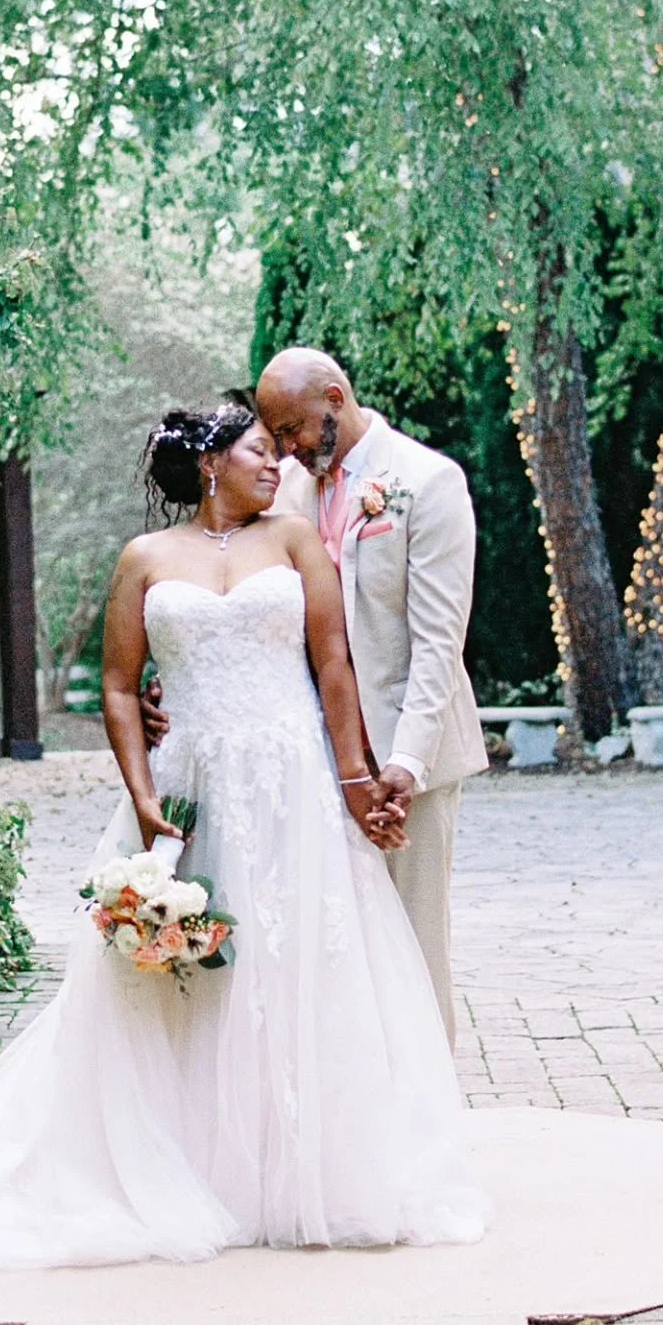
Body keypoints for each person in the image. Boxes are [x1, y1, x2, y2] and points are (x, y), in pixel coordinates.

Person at [0, 399, 482, 1275]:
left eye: (278, 450)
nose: (277, 465)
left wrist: (353, 782)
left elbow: (332, 661)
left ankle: (303, 1166)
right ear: (209, 464)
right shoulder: (145, 558)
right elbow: (119, 684)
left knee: (302, 961)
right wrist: (144, 799)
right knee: (189, 975)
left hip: (293, 780)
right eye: (260, 452)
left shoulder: (296, 540)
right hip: (191, 786)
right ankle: (189, 1161)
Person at [150, 351, 487, 1046]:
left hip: (404, 756)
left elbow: (437, 644)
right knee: (334, 951)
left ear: (335, 398)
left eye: (292, 429)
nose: (285, 449)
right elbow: (235, 599)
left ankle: (427, 1101)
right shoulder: (285, 493)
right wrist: (179, 677)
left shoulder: (427, 482)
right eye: (273, 436)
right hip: (311, 755)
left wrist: (406, 765)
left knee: (413, 944)